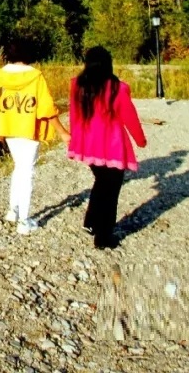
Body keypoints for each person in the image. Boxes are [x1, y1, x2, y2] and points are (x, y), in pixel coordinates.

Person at [67, 46, 147, 249]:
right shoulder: (117, 88)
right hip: (112, 147)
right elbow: (130, 116)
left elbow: (74, 116)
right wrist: (140, 139)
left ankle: (91, 222)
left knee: (101, 182)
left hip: (88, 145)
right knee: (110, 190)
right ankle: (104, 236)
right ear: (109, 64)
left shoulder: (78, 85)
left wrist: (75, 141)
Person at [0, 45, 69, 234]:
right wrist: (63, 132)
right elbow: (46, 108)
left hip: (9, 128)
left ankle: (12, 212)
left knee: (19, 168)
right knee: (27, 172)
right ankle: (24, 221)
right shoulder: (36, 76)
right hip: (29, 129)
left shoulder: (1, 75)